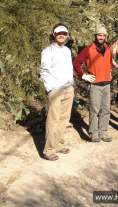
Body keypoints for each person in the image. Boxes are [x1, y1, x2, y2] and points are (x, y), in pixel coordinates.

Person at [40, 23, 74, 161]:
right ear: (54, 34)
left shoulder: (67, 50)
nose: (62, 36)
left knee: (64, 119)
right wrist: (50, 89)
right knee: (53, 120)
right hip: (55, 90)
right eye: (59, 33)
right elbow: (44, 71)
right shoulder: (47, 51)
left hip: (68, 89)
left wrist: (71, 84)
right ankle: (48, 150)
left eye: (64, 33)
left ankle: (59, 144)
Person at [73, 27, 113, 143]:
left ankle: (103, 132)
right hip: (95, 84)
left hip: (106, 84)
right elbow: (76, 63)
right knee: (94, 110)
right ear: (95, 36)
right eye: (99, 35)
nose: (101, 37)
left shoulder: (108, 49)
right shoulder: (89, 49)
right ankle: (94, 133)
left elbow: (110, 62)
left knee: (105, 110)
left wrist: (110, 72)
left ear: (106, 37)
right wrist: (84, 76)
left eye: (103, 35)